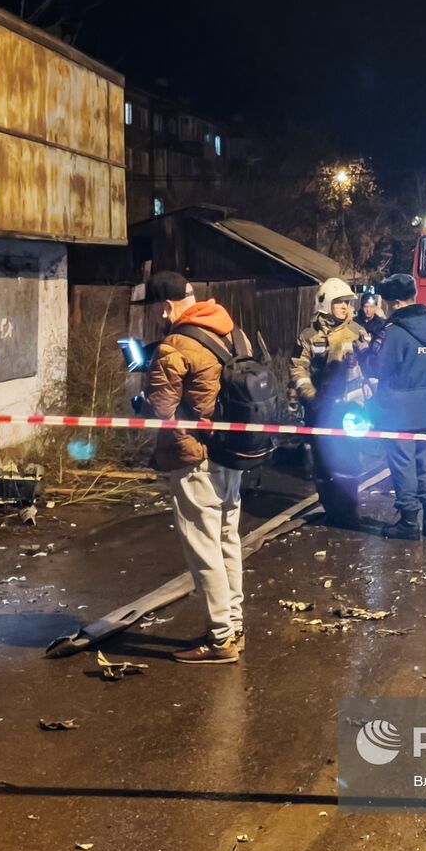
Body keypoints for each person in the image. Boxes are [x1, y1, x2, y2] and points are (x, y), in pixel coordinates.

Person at [142, 271, 247, 664]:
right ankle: (234, 627)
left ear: (165, 305)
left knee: (204, 550)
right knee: (226, 542)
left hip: (194, 458)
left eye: (155, 308)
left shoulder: (176, 343)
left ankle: (219, 640)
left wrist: (147, 379)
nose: (157, 315)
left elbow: (161, 408)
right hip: (230, 454)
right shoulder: (231, 331)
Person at [290, 278, 373, 529]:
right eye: (339, 303)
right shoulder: (308, 335)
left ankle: (349, 512)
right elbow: (297, 369)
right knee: (323, 463)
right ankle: (332, 509)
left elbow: (371, 365)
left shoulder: (358, 332)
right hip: (320, 409)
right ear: (325, 304)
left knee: (349, 460)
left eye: (347, 303)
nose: (345, 307)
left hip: (351, 408)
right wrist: (309, 397)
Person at [370, 272, 426, 540]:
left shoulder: (396, 332)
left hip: (399, 410)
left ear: (397, 303)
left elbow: (379, 368)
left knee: (403, 464)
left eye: (389, 303)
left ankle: (409, 521)